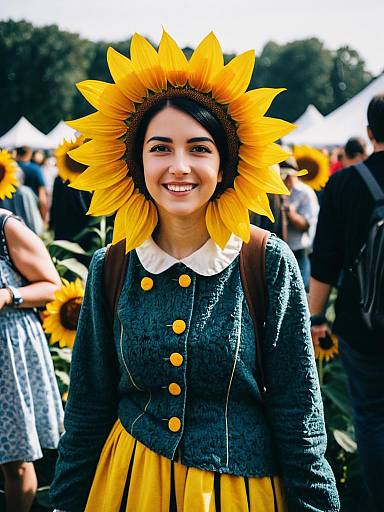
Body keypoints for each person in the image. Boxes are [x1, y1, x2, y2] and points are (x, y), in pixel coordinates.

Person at [50, 31, 339, 512]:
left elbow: (298, 413)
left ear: (226, 164)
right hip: (127, 485)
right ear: (135, 160)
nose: (179, 166)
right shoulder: (113, 264)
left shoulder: (264, 261)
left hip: (238, 492)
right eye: (160, 147)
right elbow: (87, 407)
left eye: (200, 148)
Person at [309, 93, 384, 511]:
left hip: (363, 323)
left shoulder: (344, 183)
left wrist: (316, 315)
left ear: (370, 133)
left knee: (371, 417)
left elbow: (325, 260)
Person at [0, 209, 64, 512]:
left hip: (8, 357)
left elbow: (52, 286)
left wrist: (8, 295)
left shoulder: (5, 227)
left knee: (15, 460)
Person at [280, 157, 319, 291]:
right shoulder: (273, 191)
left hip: (298, 252)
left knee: (298, 291)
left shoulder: (305, 193)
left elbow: (306, 225)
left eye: (286, 176)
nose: (283, 180)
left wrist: (290, 213)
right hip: (277, 252)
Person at [15, 146, 48, 222]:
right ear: (29, 154)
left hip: (13, 211)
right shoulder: (35, 169)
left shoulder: (9, 168)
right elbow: (42, 197)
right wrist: (44, 218)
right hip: (33, 210)